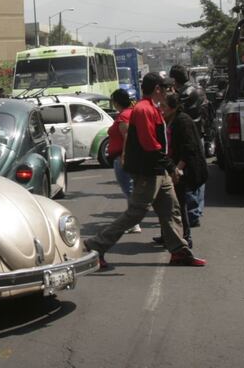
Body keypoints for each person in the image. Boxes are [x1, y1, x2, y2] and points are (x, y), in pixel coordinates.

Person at [83, 73, 206, 270]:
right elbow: (151, 145)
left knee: (171, 209)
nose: (170, 92)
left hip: (157, 170)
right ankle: (95, 246)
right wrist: (171, 167)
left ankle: (178, 251)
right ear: (158, 89)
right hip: (149, 171)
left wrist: (168, 167)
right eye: (167, 88)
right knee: (135, 214)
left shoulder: (152, 108)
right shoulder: (144, 110)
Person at [159, 93, 208, 249]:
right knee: (168, 204)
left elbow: (189, 148)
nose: (161, 109)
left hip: (183, 169)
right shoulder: (170, 119)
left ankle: (186, 237)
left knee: (179, 204)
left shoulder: (183, 121)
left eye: (164, 106)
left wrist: (177, 170)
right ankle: (168, 235)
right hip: (173, 166)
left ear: (173, 108)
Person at [170, 64, 209, 227]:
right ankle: (197, 210)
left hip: (188, 136)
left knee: (190, 175)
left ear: (174, 79)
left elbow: (179, 114)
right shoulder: (199, 89)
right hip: (199, 133)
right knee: (198, 172)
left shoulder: (183, 94)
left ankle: (192, 214)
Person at [106, 88, 140, 233]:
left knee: (129, 190)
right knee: (130, 190)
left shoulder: (124, 116)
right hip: (125, 157)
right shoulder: (129, 113)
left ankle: (134, 222)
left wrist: (124, 157)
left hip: (122, 157)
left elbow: (127, 137)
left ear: (116, 101)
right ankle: (134, 221)